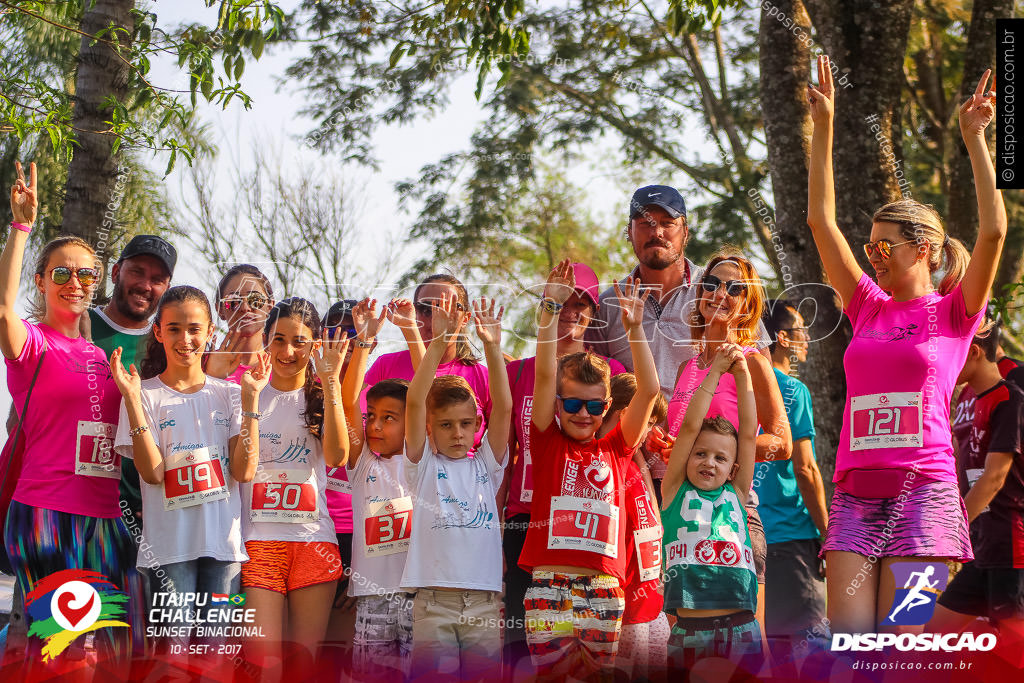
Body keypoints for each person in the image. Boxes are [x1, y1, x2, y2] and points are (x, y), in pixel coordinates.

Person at [807, 56, 1007, 632]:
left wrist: (976, 140)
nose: (872, 256)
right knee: (849, 645)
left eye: (883, 246)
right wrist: (823, 129)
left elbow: (993, 231)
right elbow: (822, 223)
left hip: (925, 495)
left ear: (922, 248)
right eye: (868, 247)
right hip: (854, 496)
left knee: (903, 649)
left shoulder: (954, 312)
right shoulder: (867, 305)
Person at [1, 162, 137, 665]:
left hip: (104, 521)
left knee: (107, 655)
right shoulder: (31, 345)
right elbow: (1, 308)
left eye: (86, 274)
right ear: (41, 280)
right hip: (46, 515)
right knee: (64, 651)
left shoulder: (107, 358)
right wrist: (20, 227)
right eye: (61, 272)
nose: (74, 281)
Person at [519, 260, 659, 679]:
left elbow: (649, 390)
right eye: (573, 404)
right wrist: (548, 309)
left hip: (603, 590)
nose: (583, 414)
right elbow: (545, 373)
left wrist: (635, 329)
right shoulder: (547, 441)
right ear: (558, 406)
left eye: (595, 406)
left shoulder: (616, 447)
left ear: (606, 408)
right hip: (549, 586)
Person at [111, 286, 267, 652]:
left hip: (224, 551)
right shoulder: (142, 394)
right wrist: (132, 401)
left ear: (211, 331)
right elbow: (151, 473)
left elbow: (244, 471)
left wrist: (250, 401)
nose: (186, 339)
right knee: (172, 658)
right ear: (158, 332)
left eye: (195, 329)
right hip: (168, 553)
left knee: (216, 657)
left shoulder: (230, 394)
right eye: (175, 328)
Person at [500, 262, 626, 659]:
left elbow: (620, 458)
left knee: (593, 662)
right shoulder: (517, 371)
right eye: (563, 302)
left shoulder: (611, 374)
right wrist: (494, 525)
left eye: (582, 303)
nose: (572, 311)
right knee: (525, 649)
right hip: (526, 522)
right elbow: (503, 454)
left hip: (588, 536)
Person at [662, 250, 792, 638]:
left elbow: (782, 443)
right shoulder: (689, 366)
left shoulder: (752, 361)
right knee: (684, 633)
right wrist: (665, 444)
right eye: (711, 284)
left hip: (734, 508)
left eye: (733, 287)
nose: (720, 292)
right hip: (682, 514)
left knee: (748, 635)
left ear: (747, 302)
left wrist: (729, 453)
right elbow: (685, 435)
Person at [401, 294, 511, 679]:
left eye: (466, 424)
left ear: (477, 424)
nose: (458, 433)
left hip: (483, 602)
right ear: (430, 428)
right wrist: (437, 343)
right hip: (433, 602)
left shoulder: (488, 464)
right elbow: (416, 400)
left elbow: (505, 406)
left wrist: (493, 348)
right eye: (446, 425)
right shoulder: (422, 464)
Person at [240, 298, 350, 677]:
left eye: (300, 341)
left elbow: (337, 455)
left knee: (304, 669)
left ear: (314, 345)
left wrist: (332, 382)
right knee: (264, 667)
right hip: (258, 544)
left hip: (314, 544)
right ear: (266, 341)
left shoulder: (319, 397)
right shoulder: (247, 393)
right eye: (279, 340)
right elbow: (241, 467)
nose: (288, 351)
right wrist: (250, 402)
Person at [661, 344, 760, 672]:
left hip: (742, 629)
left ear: (733, 467)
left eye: (720, 458)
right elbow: (689, 427)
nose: (709, 462)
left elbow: (748, 434)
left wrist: (743, 375)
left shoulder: (737, 490)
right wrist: (715, 372)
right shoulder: (674, 490)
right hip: (690, 633)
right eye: (700, 453)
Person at [341, 298, 420, 678]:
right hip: (373, 598)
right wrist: (364, 342)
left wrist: (410, 331)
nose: (374, 426)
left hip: (420, 595)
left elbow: (428, 395)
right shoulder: (362, 464)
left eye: (389, 418)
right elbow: (345, 404)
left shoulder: (424, 460)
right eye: (371, 416)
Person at [929, 322, 1024, 635]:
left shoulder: (1011, 399)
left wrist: (952, 530)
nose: (942, 365)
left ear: (972, 352)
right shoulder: (966, 398)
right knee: (932, 633)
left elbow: (995, 477)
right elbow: (957, 463)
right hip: (981, 546)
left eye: (949, 355)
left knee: (1013, 646)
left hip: (1012, 547)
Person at [88, 234, 176, 525]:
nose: (145, 285)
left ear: (167, 288)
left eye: (157, 278)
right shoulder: (79, 324)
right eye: (137, 271)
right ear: (116, 272)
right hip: (74, 501)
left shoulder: (168, 347)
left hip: (141, 513)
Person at [757, 300, 828, 644]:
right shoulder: (792, 389)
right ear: (783, 337)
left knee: (766, 644)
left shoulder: (736, 385)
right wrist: (828, 533)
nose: (807, 337)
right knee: (807, 647)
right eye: (801, 329)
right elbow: (805, 468)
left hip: (746, 537)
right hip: (791, 535)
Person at [363, 274, 490, 447]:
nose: (436, 317)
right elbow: (355, 418)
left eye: (447, 308)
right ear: (414, 313)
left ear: (465, 318)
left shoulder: (483, 377)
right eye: (425, 309)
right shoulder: (386, 365)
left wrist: (493, 347)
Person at [600, 373, 670, 680]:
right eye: (648, 421)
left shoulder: (637, 460)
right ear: (623, 414)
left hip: (652, 604)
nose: (651, 431)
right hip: (624, 609)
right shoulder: (604, 457)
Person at [206, 264, 275, 383]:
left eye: (255, 300)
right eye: (233, 301)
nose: (245, 307)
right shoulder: (203, 364)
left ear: (270, 306)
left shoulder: (284, 367)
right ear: (220, 310)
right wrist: (211, 378)